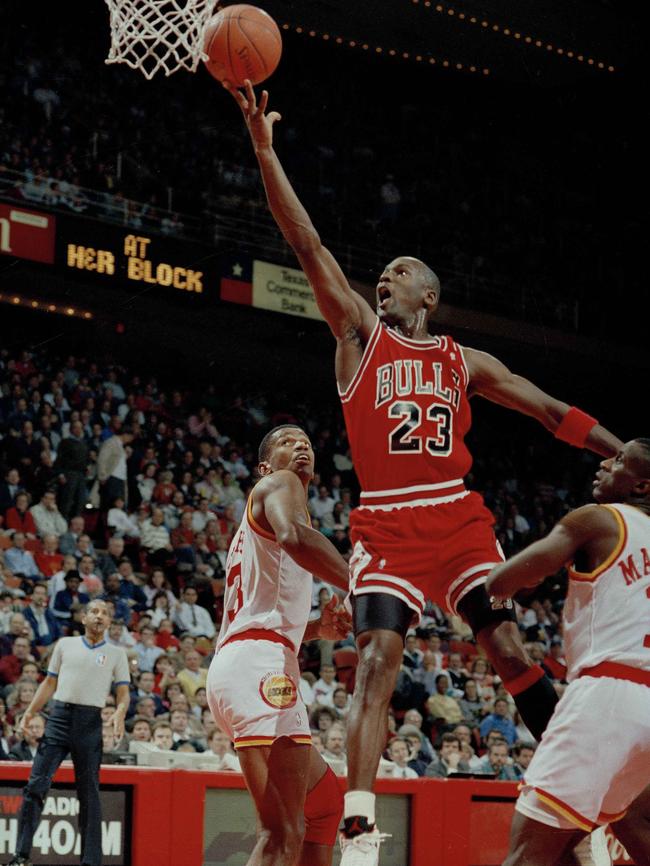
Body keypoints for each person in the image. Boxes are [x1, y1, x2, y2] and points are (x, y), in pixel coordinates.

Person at [226, 79, 623, 862]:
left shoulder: (463, 359)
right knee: (376, 659)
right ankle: (362, 828)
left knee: (510, 650)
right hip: (387, 520)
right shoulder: (358, 337)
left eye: (402, 269)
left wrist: (627, 457)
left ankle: (580, 801)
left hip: (458, 514)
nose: (387, 275)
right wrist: (266, 151)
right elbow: (305, 242)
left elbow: (549, 411)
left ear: (430, 294)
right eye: (385, 270)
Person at [487, 438, 650, 866]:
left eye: (618, 461)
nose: (604, 463)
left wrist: (530, 575)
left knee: (527, 854)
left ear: (641, 487)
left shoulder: (597, 520)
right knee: (614, 831)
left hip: (607, 695)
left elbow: (501, 583)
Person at [206, 425, 352, 866]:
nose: (301, 444)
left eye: (306, 440)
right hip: (258, 664)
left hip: (257, 656)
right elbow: (294, 537)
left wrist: (316, 631)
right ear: (265, 467)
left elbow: (264, 611)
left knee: (325, 804)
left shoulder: (264, 520)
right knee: (280, 835)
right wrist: (361, 582)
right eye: (288, 441)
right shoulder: (280, 484)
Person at [6, 599, 130, 866]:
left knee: (89, 794)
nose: (100, 616)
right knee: (36, 785)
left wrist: (120, 712)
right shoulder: (65, 645)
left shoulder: (117, 654)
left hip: (90, 722)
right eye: (95, 612)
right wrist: (29, 713)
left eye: (105, 614)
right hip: (59, 717)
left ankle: (91, 861)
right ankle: (21, 856)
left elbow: (123, 693)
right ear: (83, 618)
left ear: (109, 622)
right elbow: (49, 683)